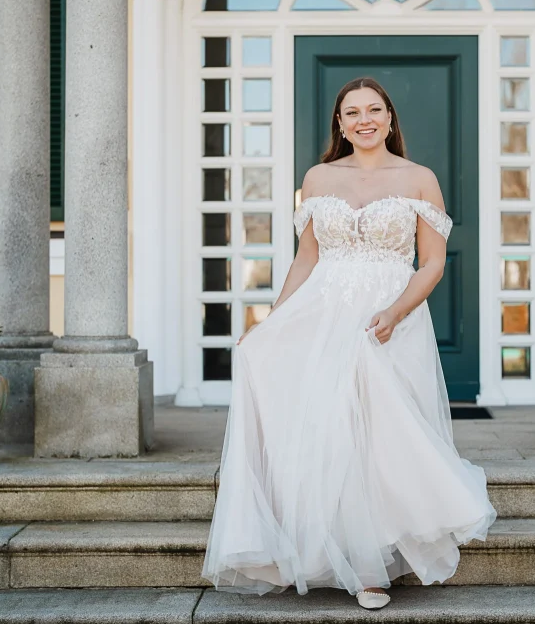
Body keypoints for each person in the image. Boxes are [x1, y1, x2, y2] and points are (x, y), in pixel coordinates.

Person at [201, 77, 496, 609]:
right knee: (329, 431)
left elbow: (430, 263)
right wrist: (273, 320)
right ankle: (338, 558)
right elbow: (306, 259)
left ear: (389, 118)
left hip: (389, 316)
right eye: (352, 112)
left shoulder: (419, 178)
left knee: (381, 435)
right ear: (339, 123)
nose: (364, 119)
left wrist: (395, 311)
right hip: (324, 311)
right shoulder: (317, 178)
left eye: (374, 110)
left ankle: (374, 563)